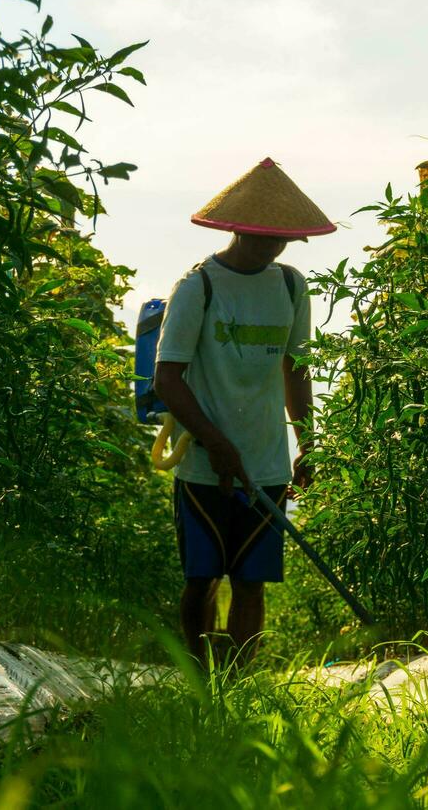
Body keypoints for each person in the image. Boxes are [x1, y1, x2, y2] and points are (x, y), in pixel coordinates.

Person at [153, 158, 336, 667]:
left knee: (252, 581)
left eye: (278, 240)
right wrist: (215, 442)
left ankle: (237, 683)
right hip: (203, 466)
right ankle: (197, 676)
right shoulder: (198, 287)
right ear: (236, 229)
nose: (268, 247)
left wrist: (308, 444)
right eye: (258, 237)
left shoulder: (291, 287)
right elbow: (166, 379)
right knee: (201, 577)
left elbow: (295, 370)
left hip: (266, 462)